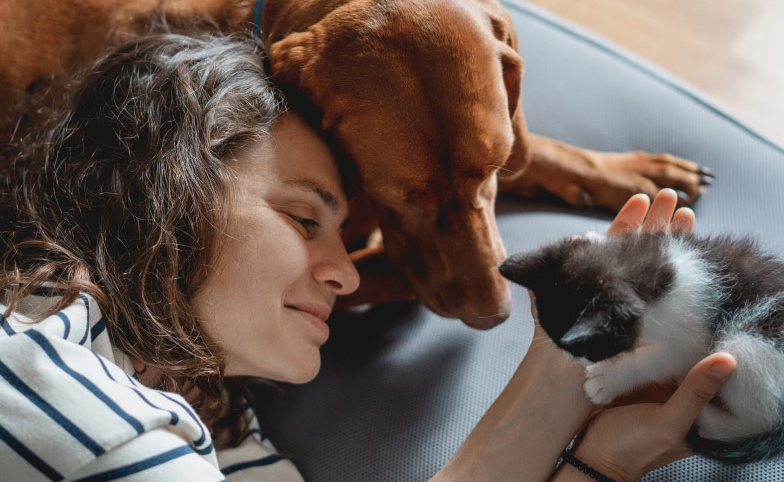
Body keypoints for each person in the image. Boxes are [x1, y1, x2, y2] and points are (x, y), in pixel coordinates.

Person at [0, 31, 734, 482]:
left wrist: (581, 416)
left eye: (344, 235)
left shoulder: (226, 436)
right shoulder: (46, 379)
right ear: (157, 188)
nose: (348, 274)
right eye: (301, 216)